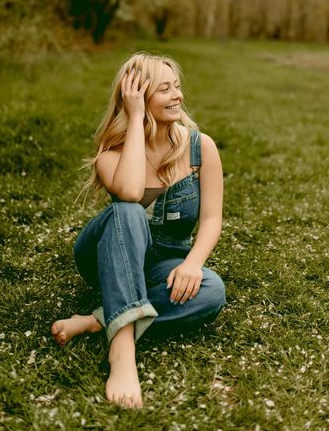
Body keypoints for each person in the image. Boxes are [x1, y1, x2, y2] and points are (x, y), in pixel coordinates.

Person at [51, 52, 226, 408]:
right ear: (138, 97)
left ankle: (99, 320)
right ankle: (123, 351)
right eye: (164, 89)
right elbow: (129, 193)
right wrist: (134, 120)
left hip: (164, 263)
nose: (177, 95)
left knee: (212, 290)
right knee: (128, 211)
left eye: (177, 86)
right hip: (107, 254)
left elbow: (211, 219)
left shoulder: (200, 147)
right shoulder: (110, 153)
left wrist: (192, 264)